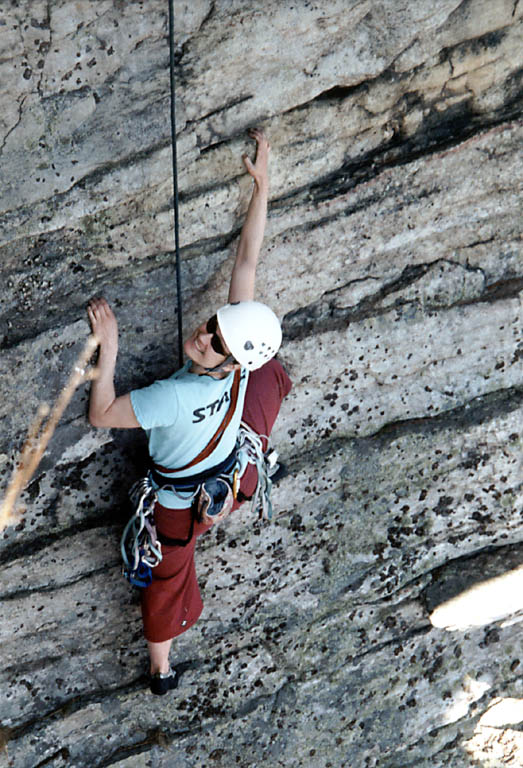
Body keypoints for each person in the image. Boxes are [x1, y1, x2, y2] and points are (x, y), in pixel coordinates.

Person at [87, 129, 292, 695]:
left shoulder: (171, 397)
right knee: (271, 380)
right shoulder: (241, 364)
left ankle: (161, 667)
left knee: (168, 575)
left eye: (213, 342)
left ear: (227, 363)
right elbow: (248, 258)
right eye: (212, 326)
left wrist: (111, 349)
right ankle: (261, 458)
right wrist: (262, 186)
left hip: (181, 503)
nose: (202, 335)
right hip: (232, 470)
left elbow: (102, 415)